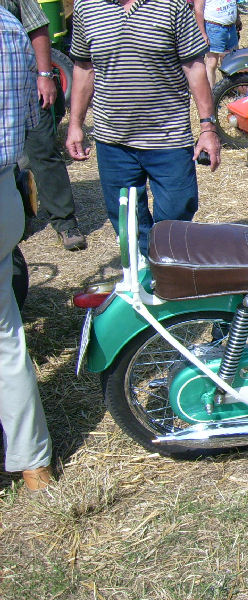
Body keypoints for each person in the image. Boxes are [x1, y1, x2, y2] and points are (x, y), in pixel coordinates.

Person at [66, 0, 221, 257]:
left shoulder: (172, 5)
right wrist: (75, 125)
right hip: (113, 140)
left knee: (177, 213)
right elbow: (84, 68)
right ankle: (144, 269)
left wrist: (207, 128)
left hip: (168, 136)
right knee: (128, 220)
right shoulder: (86, 6)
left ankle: (166, 263)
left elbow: (194, 67)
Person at [0, 5, 53, 492]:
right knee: (6, 336)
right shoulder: (11, 27)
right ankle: (33, 463)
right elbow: (30, 116)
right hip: (5, 190)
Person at [0, 0, 87, 251]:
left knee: (43, 150)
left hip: (23, 82)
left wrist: (45, 75)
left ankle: (65, 222)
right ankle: (17, 218)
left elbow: (37, 27)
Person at [193, 0, 239, 88]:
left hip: (231, 27)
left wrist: (237, 19)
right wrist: (202, 33)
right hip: (214, 27)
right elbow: (198, 10)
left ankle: (229, 88)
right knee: (212, 62)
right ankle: (211, 92)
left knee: (231, 61)